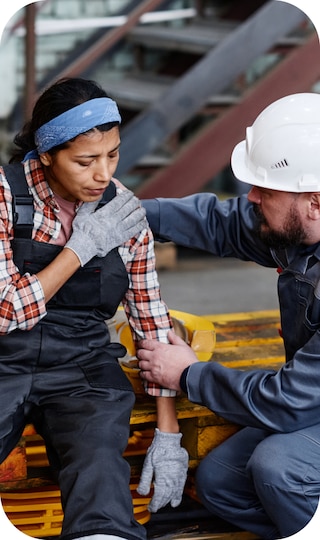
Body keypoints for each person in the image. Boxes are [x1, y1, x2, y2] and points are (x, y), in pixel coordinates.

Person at [0, 77, 188, 540]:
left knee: (100, 470)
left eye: (113, 154)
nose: (103, 174)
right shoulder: (5, 197)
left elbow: (151, 321)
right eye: (85, 161)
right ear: (46, 155)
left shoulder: (122, 213)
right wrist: (81, 248)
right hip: (3, 360)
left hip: (81, 368)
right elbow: (5, 313)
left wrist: (169, 433)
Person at [137, 92, 320, 539]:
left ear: (314, 200)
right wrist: (134, 214)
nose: (251, 196)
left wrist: (189, 374)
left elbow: (287, 401)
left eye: (266, 189)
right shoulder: (298, 227)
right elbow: (221, 223)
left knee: (279, 467)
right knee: (222, 482)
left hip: (305, 396)